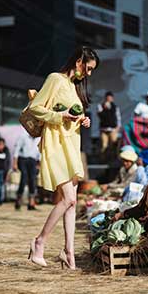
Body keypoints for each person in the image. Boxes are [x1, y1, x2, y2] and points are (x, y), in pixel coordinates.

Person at [27, 46, 98, 269]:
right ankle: (39, 242)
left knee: (72, 203)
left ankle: (69, 253)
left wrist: (83, 120)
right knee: (68, 199)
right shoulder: (55, 79)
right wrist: (60, 116)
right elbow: (35, 107)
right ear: (78, 62)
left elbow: (73, 114)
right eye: (88, 68)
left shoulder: (72, 86)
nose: (89, 73)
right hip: (56, 144)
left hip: (71, 145)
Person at [13, 131, 41, 210]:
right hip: (23, 159)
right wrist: (14, 162)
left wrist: (39, 164)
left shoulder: (39, 138)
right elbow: (17, 148)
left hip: (33, 161)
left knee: (32, 180)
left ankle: (31, 203)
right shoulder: (23, 136)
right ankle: (18, 199)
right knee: (24, 178)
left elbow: (40, 151)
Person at [97, 91, 121, 159]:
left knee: (113, 144)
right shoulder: (100, 106)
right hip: (104, 129)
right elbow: (100, 115)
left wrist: (118, 126)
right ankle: (103, 159)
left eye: (110, 98)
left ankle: (113, 158)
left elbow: (118, 117)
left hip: (113, 129)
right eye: (107, 98)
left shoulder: (115, 107)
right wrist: (104, 108)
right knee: (104, 145)